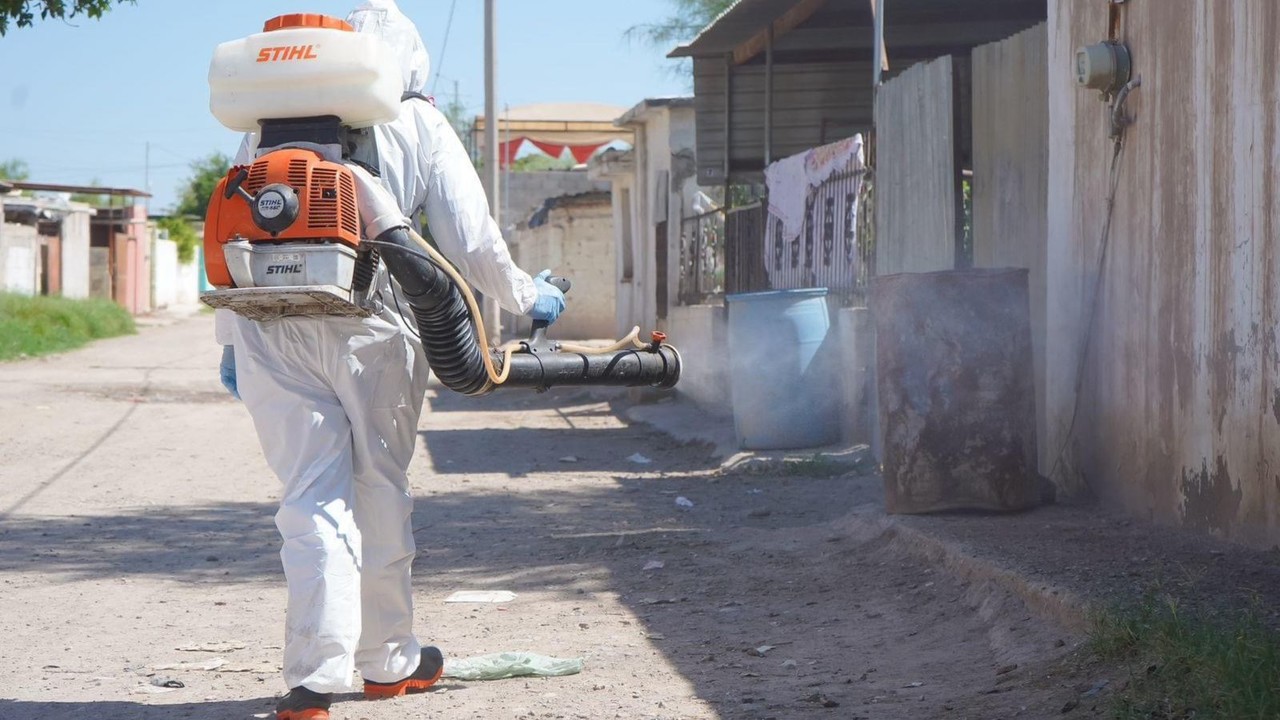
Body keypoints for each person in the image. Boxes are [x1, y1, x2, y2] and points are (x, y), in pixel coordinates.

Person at [214, 2, 566, 718]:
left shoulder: (263, 124)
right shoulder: (418, 120)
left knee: (309, 497)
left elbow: (238, 235)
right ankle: (388, 662)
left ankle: (313, 681)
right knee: (379, 485)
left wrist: (227, 343)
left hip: (268, 325)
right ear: (406, 66)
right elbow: (470, 242)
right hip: (372, 324)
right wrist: (530, 300)